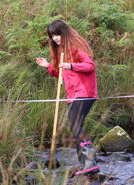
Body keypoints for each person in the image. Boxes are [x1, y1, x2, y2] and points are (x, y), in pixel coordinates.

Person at [36, 20, 99, 176]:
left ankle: (90, 164)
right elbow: (62, 74)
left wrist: (71, 65)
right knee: (75, 127)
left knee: (76, 126)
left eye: (57, 34)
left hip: (84, 93)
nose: (56, 38)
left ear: (64, 32)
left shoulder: (76, 47)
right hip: (72, 95)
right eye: (52, 36)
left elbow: (90, 66)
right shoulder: (60, 51)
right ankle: (87, 165)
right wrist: (48, 66)